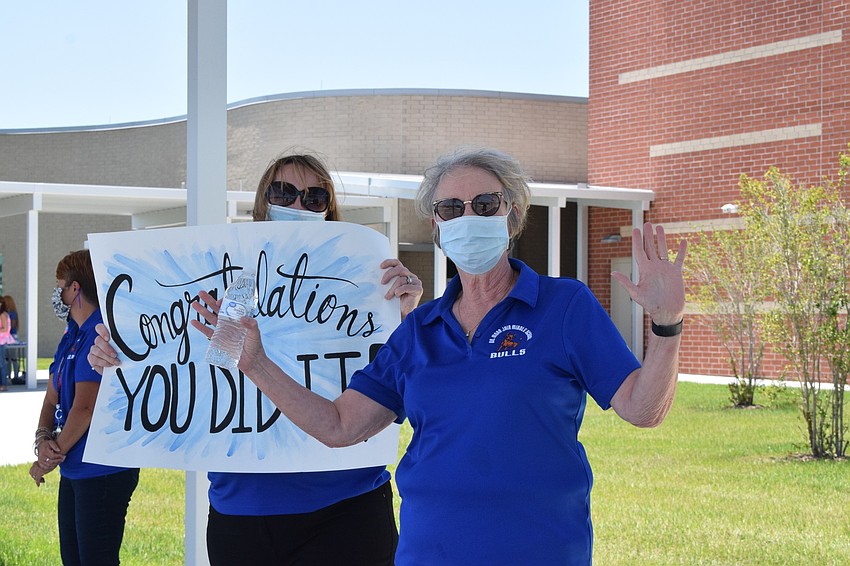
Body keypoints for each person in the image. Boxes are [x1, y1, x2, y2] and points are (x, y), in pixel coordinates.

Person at [188, 147, 688, 565]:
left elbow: (643, 410)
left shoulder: (565, 305)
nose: (468, 217)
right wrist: (254, 362)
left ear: (512, 214)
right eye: (451, 208)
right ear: (436, 225)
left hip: (538, 550)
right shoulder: (419, 332)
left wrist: (667, 327)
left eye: (485, 204)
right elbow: (340, 426)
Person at [88, 152, 424, 565]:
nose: (299, 205)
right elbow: (188, 362)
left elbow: (396, 396)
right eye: (284, 193)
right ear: (263, 203)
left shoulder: (363, 285)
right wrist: (119, 353)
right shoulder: (229, 284)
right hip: (243, 512)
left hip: (348, 506)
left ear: (329, 210)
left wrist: (404, 316)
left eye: (315, 197)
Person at [29, 250, 140, 565]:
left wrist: (47, 460)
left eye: (59, 285)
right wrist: (42, 438)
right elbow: (52, 396)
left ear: (75, 289)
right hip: (75, 467)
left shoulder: (100, 332)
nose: (57, 293)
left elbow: (85, 409)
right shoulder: (72, 334)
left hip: (104, 469)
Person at [0, 296, 16, 390]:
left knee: (2, 363)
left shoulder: (3, 315)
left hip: (2, 341)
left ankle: (3, 384)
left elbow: (6, 329)